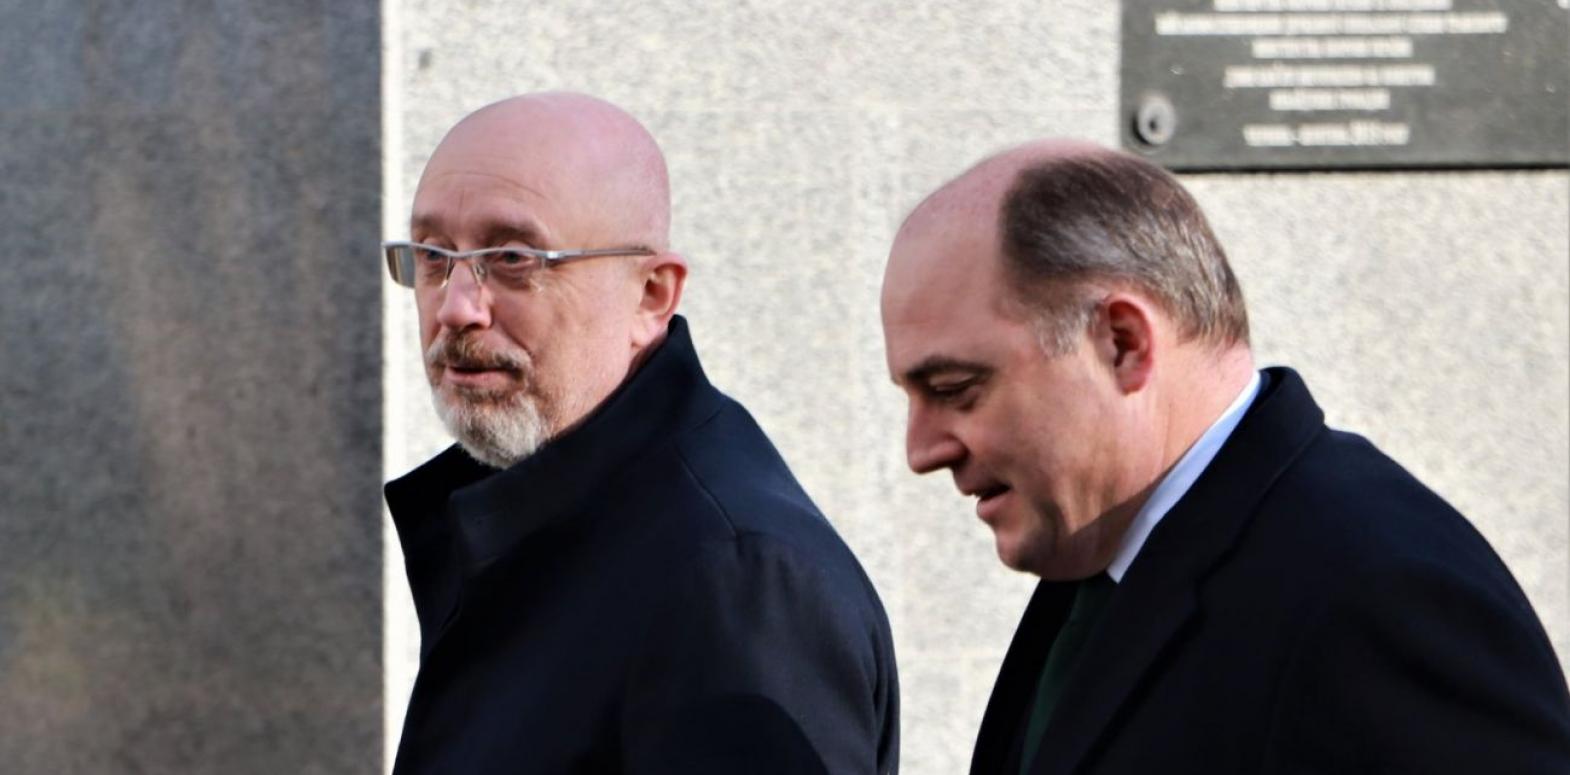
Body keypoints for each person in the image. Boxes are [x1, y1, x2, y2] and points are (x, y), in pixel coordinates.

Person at [880, 138, 1570, 774]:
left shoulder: (1378, 592)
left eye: (955, 388)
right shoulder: (1099, 562)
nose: (921, 450)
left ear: (1122, 343)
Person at [382, 92, 898, 774]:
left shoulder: (737, 579)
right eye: (432, 255)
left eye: (512, 257)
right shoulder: (530, 509)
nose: (455, 307)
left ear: (652, 293)